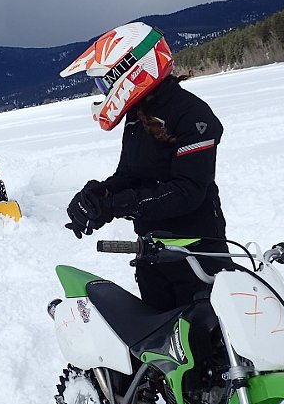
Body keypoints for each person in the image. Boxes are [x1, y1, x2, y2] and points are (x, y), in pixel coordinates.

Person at [59, 22, 233, 313]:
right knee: (156, 342)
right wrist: (98, 196)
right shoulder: (139, 115)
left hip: (197, 252)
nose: (104, 92)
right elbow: (130, 175)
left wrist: (118, 205)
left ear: (128, 71)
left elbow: (188, 191)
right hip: (153, 251)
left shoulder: (192, 115)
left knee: (208, 344)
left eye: (104, 83)